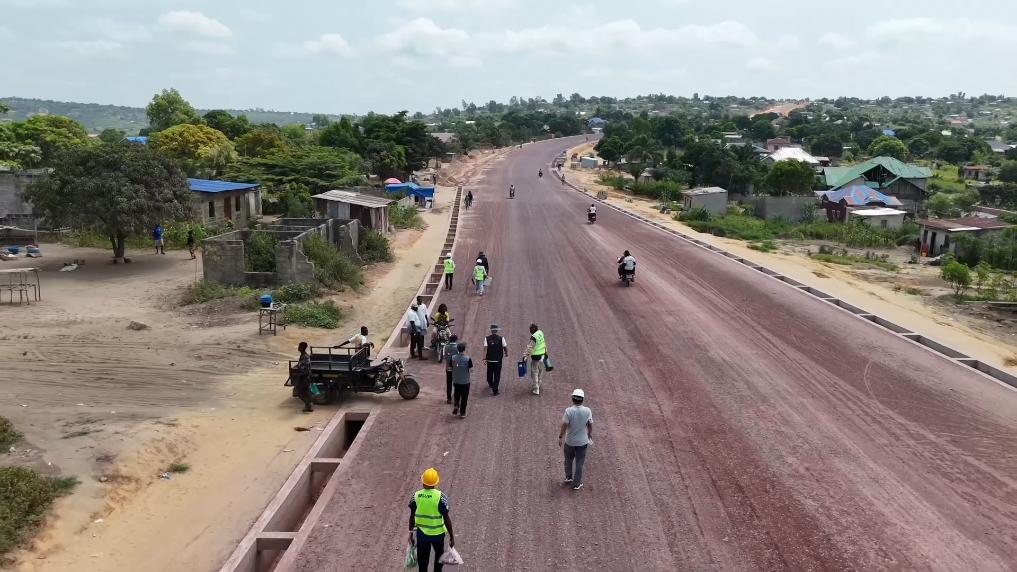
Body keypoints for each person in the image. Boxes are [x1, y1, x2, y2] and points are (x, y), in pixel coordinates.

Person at [408, 468, 455, 572]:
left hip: (422, 535)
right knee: (439, 557)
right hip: (438, 535)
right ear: (435, 483)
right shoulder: (441, 497)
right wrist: (452, 536)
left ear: (423, 482)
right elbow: (446, 518)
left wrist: (410, 533)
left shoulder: (416, 496)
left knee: (422, 562)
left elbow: (412, 517)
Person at [559, 388, 593, 491]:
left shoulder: (568, 411)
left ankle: (568, 477)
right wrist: (589, 434)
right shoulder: (587, 411)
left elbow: (564, 425)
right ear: (582, 399)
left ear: (572, 399)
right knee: (579, 464)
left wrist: (560, 437)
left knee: (568, 460)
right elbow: (590, 424)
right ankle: (576, 484)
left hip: (570, 441)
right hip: (582, 442)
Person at [521, 324, 547, 395]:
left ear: (531, 330)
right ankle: (539, 383)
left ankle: (536, 388)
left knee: (534, 372)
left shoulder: (534, 337)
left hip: (536, 357)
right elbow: (543, 343)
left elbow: (529, 347)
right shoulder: (540, 332)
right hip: (543, 355)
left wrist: (525, 356)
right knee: (540, 371)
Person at [483, 324, 508, 396]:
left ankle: (491, 383)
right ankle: (495, 390)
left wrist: (484, 358)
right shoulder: (501, 338)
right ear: (497, 330)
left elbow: (485, 349)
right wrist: (506, 353)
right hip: (498, 360)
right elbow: (505, 347)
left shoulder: (487, 338)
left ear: (491, 331)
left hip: (489, 360)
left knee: (489, 373)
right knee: (497, 375)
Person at [450, 343, 472, 418]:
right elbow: (471, 369)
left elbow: (450, 367)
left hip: (456, 380)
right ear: (464, 349)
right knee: (464, 397)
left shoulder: (453, 358)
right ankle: (462, 413)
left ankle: (456, 405)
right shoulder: (467, 358)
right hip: (465, 381)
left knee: (456, 394)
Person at [294, 342, 313, 413]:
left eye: (299, 346)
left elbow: (304, 368)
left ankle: (308, 405)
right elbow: (301, 365)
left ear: (302, 347)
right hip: (305, 377)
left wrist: (298, 375)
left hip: (304, 377)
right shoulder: (303, 355)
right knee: (305, 392)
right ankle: (308, 406)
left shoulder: (305, 356)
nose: (298, 347)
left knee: (300, 392)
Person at [443, 334, 459, 404]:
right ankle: (456, 397)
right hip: (456, 368)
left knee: (449, 383)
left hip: (448, 368)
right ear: (456, 340)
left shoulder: (446, 347)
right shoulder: (457, 347)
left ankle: (449, 398)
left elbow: (444, 356)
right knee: (456, 383)